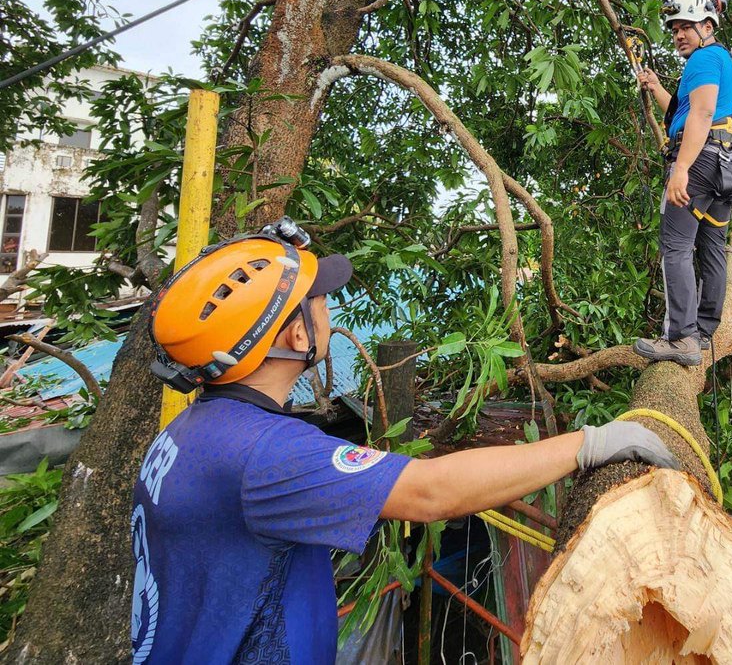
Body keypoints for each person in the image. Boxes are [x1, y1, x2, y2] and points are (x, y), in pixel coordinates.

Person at [131, 218, 678, 664]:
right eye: (317, 299)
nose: (328, 306)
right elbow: (429, 491)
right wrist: (589, 443)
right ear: (297, 334)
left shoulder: (189, 432)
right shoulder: (262, 453)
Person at [633, 0, 732, 367]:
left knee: (676, 245)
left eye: (687, 26)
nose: (679, 34)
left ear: (707, 24)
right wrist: (657, 87)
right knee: (712, 245)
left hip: (699, 160)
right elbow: (685, 111)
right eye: (675, 27)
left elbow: (700, 115)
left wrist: (680, 168)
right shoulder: (719, 60)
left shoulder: (701, 59)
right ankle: (704, 330)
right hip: (727, 165)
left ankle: (681, 338)